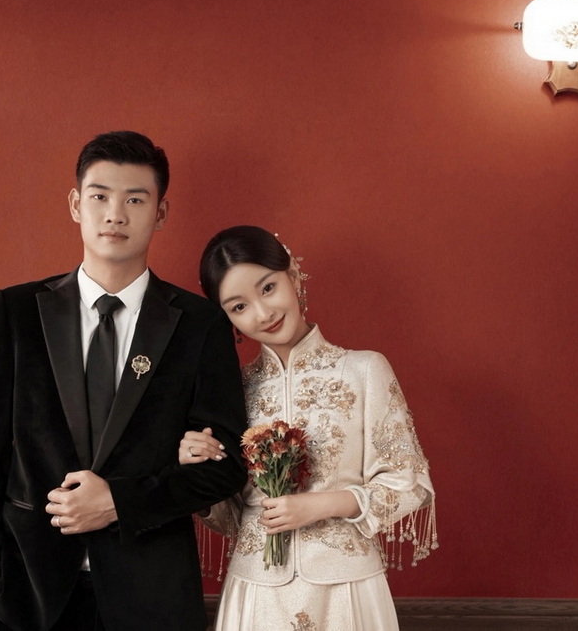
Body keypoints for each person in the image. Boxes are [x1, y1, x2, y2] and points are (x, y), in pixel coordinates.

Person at [0, 131, 248, 631]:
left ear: (160, 212)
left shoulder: (200, 325)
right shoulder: (17, 311)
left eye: (135, 199)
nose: (115, 214)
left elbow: (225, 469)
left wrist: (119, 503)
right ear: (76, 204)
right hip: (31, 594)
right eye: (100, 196)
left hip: (154, 595)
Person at [179, 225, 437, 631]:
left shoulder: (364, 370)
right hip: (257, 590)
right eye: (239, 306)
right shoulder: (232, 391)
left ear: (294, 276)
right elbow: (231, 517)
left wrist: (323, 505)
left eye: (268, 288)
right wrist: (195, 473)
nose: (262, 313)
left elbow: (409, 484)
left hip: (346, 587)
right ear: (226, 318)